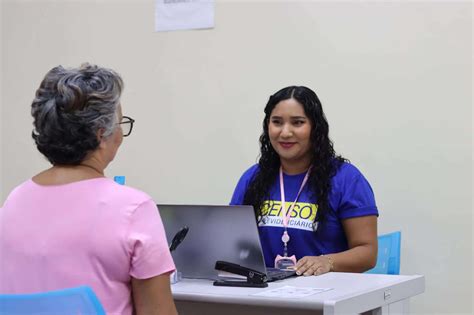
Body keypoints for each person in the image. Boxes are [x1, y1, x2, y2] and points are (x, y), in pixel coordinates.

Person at [0, 64, 178, 315]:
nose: (121, 135)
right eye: (120, 124)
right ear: (101, 134)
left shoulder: (12, 203)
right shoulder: (133, 209)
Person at [230, 86, 378, 277]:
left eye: (297, 123)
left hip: (326, 295)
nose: (285, 132)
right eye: (276, 122)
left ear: (315, 128)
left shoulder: (347, 179)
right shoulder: (252, 178)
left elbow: (367, 252)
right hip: (263, 296)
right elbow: (233, 244)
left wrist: (327, 261)